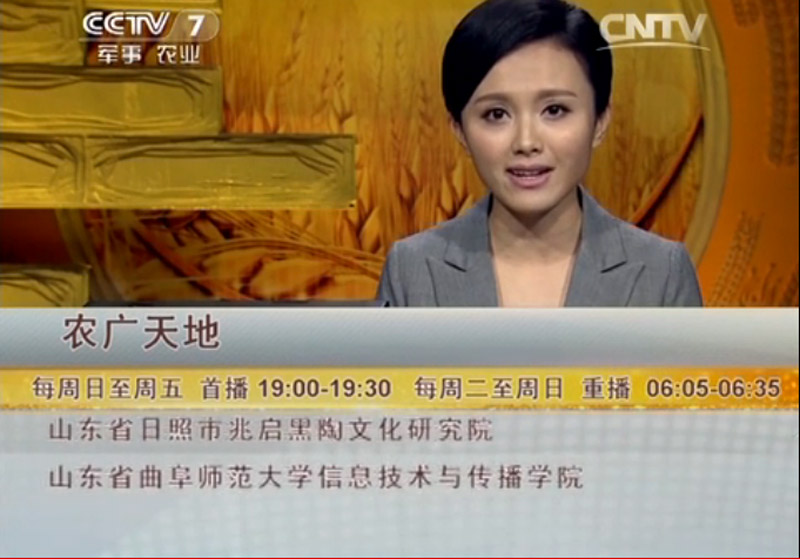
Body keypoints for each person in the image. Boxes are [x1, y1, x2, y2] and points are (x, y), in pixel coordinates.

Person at [377, 0, 703, 307]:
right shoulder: (411, 270)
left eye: (555, 110)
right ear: (459, 130)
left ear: (600, 120)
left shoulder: (663, 273)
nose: (526, 141)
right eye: (496, 114)